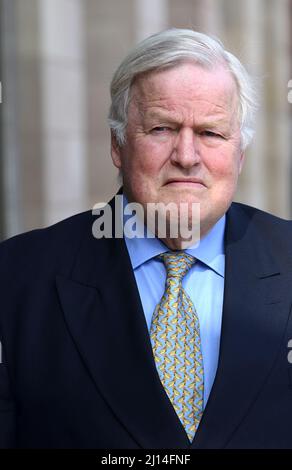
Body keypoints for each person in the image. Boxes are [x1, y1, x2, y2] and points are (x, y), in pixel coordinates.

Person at [0, 28, 292, 450]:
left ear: (239, 155)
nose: (187, 156)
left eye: (211, 133)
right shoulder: (18, 278)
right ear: (118, 145)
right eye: (161, 129)